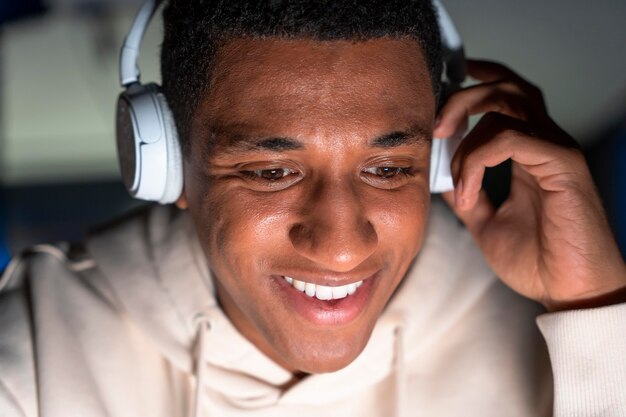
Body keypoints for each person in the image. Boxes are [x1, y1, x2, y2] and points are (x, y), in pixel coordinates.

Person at [1, 1, 625, 416]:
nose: (342, 247)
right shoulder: (33, 348)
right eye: (272, 172)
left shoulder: (556, 337)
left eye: (387, 169)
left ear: (440, 160)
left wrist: (593, 312)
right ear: (166, 165)